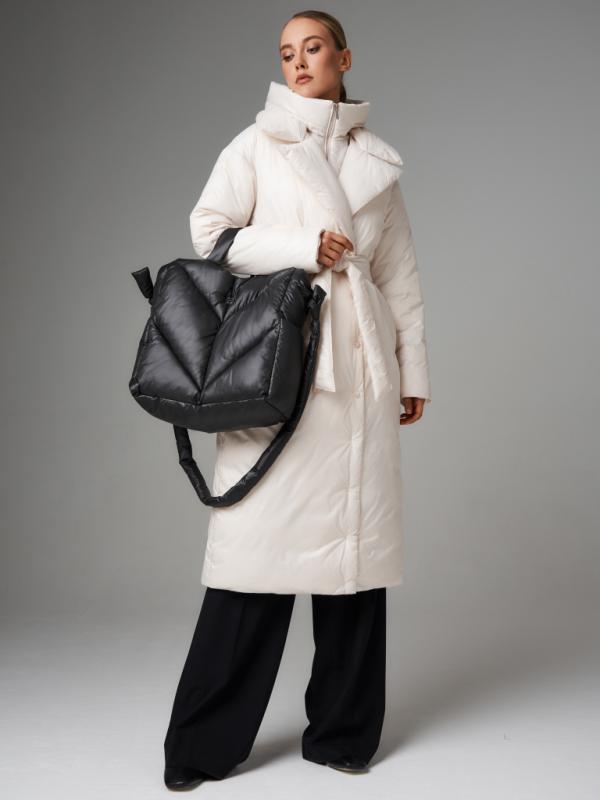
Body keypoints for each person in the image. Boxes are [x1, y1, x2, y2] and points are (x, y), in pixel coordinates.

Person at [163, 9, 432, 791]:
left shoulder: (378, 162)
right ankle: (202, 747)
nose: (299, 61)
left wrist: (412, 372)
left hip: (359, 372)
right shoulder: (257, 144)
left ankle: (344, 735)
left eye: (312, 47)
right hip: (277, 367)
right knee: (255, 557)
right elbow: (211, 233)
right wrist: (300, 247)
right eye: (287, 53)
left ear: (343, 56)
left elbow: (399, 275)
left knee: (353, 558)